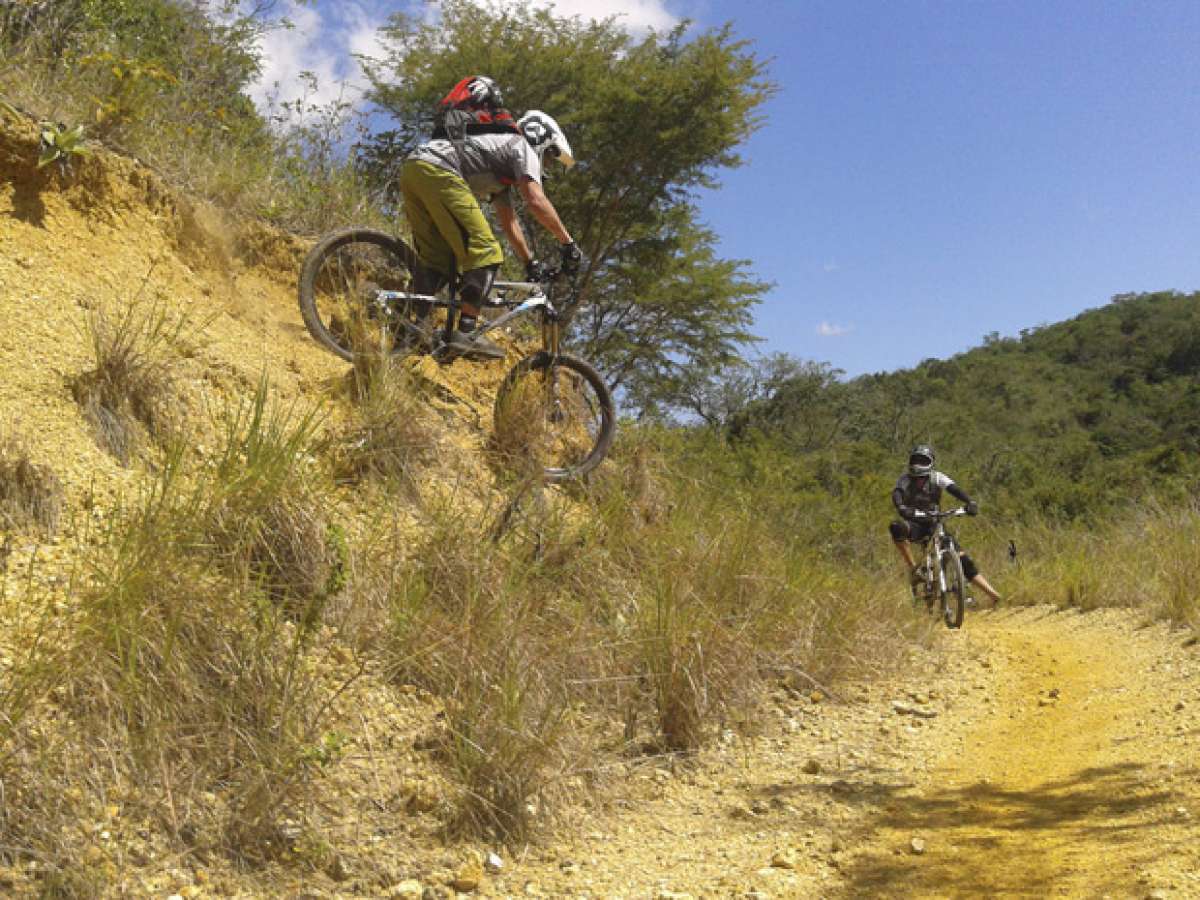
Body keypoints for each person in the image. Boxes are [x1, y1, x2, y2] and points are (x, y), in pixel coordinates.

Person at [398, 75, 583, 359]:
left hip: (414, 169)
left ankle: (408, 326)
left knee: (436, 262)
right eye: (548, 157)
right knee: (486, 251)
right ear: (540, 138)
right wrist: (569, 245)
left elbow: (510, 223)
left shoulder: (499, 163)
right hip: (438, 171)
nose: (545, 165)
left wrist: (529, 262)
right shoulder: (519, 145)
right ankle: (467, 333)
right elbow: (535, 200)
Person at [889, 444, 1002, 607]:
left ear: (930, 462)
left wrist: (969, 502)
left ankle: (994, 596)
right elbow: (897, 493)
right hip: (915, 523)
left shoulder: (937, 477)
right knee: (896, 527)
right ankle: (914, 569)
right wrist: (901, 507)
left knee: (963, 560)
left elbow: (954, 489)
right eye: (916, 460)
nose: (918, 464)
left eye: (923, 460)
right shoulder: (904, 479)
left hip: (935, 523)